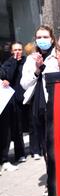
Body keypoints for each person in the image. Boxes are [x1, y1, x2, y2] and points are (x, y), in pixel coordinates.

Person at [21, 25, 60, 161]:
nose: (42, 39)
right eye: (39, 37)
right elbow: (24, 84)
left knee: (57, 142)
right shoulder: (31, 59)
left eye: (45, 37)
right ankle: (51, 174)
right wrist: (36, 71)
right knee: (45, 144)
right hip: (38, 107)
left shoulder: (58, 55)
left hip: (56, 104)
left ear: (52, 39)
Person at [0, 42, 27, 173]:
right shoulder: (8, 63)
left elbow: (4, 76)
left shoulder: (26, 61)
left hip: (12, 100)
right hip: (10, 100)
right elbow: (7, 75)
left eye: (19, 49)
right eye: (15, 50)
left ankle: (7, 159)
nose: (17, 52)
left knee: (10, 130)